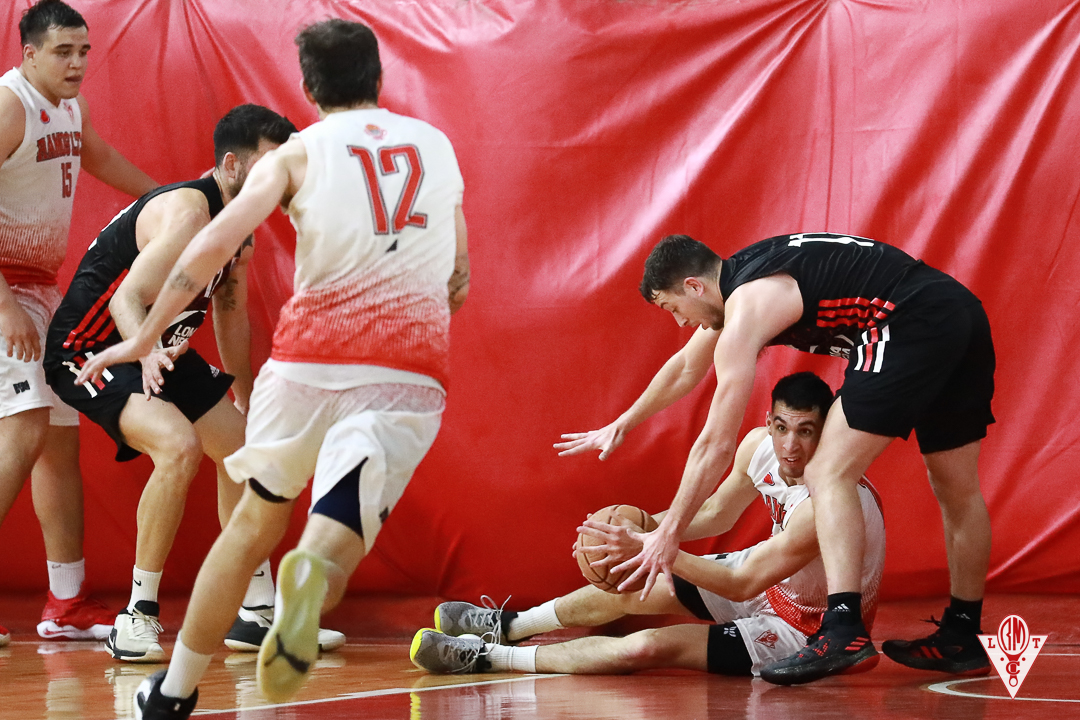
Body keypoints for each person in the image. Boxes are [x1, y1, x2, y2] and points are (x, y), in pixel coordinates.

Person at [76, 18, 469, 717]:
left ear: (312, 90)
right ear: (378, 78)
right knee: (336, 521)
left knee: (254, 523)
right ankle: (309, 580)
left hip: (307, 363)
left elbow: (211, 245)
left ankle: (171, 694)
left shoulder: (296, 153)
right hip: (407, 369)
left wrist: (141, 341)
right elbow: (458, 278)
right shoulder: (437, 146)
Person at [555, 232, 995, 684]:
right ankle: (962, 634)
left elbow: (716, 444)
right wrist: (624, 422)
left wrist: (666, 536)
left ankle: (843, 628)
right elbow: (686, 367)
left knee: (826, 470)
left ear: (693, 287)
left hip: (906, 320)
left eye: (672, 309)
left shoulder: (746, 304)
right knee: (956, 489)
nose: (680, 323)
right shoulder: (749, 279)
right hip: (959, 311)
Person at [43, 103, 344, 663]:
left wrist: (246, 396)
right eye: (271, 168)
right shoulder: (187, 213)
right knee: (178, 446)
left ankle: (254, 613)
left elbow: (229, 312)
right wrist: (149, 353)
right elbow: (127, 298)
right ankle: (137, 617)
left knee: (244, 450)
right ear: (231, 166)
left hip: (156, 346)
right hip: (91, 346)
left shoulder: (242, 228)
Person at [411, 373, 885, 677]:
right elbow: (717, 512)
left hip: (806, 626)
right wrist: (639, 531)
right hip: (772, 579)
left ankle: (487, 658)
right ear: (769, 422)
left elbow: (742, 583)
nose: (791, 446)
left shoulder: (832, 502)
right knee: (637, 584)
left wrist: (655, 548)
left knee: (646, 647)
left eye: (806, 431)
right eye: (783, 427)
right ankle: (509, 625)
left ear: (827, 433)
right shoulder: (758, 446)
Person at [0, 0, 159, 644]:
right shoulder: (10, 105)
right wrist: (5, 304)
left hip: (38, 287)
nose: (76, 63)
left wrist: (174, 201)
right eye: (62, 52)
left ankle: (65, 603)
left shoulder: (69, 107)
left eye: (84, 51)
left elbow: (98, 156)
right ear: (28, 52)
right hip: (6, 287)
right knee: (25, 434)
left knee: (59, 444)